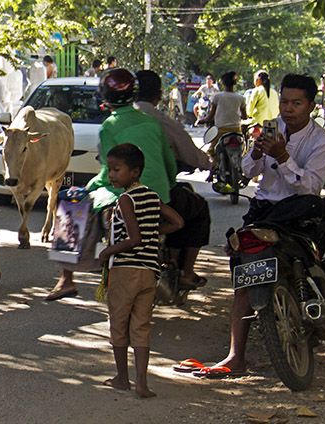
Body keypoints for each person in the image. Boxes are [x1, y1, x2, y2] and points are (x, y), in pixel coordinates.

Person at [208, 74, 325, 376]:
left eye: (297, 103)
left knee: (324, 259)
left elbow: (309, 188)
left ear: (310, 106)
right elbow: (248, 172)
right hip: (264, 210)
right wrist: (258, 151)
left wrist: (284, 157)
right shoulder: (270, 128)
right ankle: (236, 355)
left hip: (300, 211)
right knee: (244, 276)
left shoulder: (321, 140)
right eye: (285, 102)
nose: (289, 109)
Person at [46, 69, 177, 300]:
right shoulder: (153, 123)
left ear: (105, 97)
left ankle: (66, 279)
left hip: (122, 192)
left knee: (69, 202)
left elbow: (110, 172)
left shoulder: (110, 126)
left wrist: (88, 187)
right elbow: (169, 165)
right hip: (161, 194)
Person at [97, 143, 183, 397]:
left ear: (134, 172)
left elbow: (133, 239)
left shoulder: (125, 199)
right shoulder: (151, 196)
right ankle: (142, 383)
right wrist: (154, 232)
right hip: (149, 271)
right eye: (110, 169)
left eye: (116, 169)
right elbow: (178, 222)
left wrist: (108, 251)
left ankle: (122, 378)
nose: (112, 175)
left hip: (126, 270)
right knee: (141, 326)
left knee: (119, 324)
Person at [134, 70, 212, 288]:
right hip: (156, 197)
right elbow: (185, 156)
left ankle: (67, 277)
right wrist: (208, 164)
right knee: (197, 209)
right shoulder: (159, 123)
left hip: (115, 195)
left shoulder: (114, 121)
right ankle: (186, 272)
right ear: (158, 95)